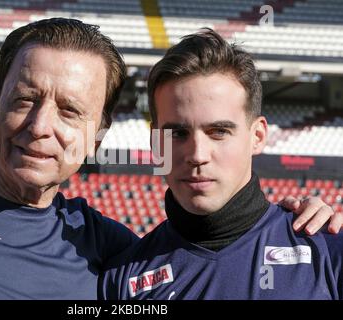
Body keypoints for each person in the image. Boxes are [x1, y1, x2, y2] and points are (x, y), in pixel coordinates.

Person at [0, 19, 339, 300]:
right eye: (26, 99)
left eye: (69, 110)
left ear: (98, 134)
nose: (41, 125)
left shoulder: (108, 251)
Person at [100, 29, 343, 300]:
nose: (197, 154)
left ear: (258, 137)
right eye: (178, 134)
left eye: (218, 132)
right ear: (156, 144)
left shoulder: (328, 247)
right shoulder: (122, 278)